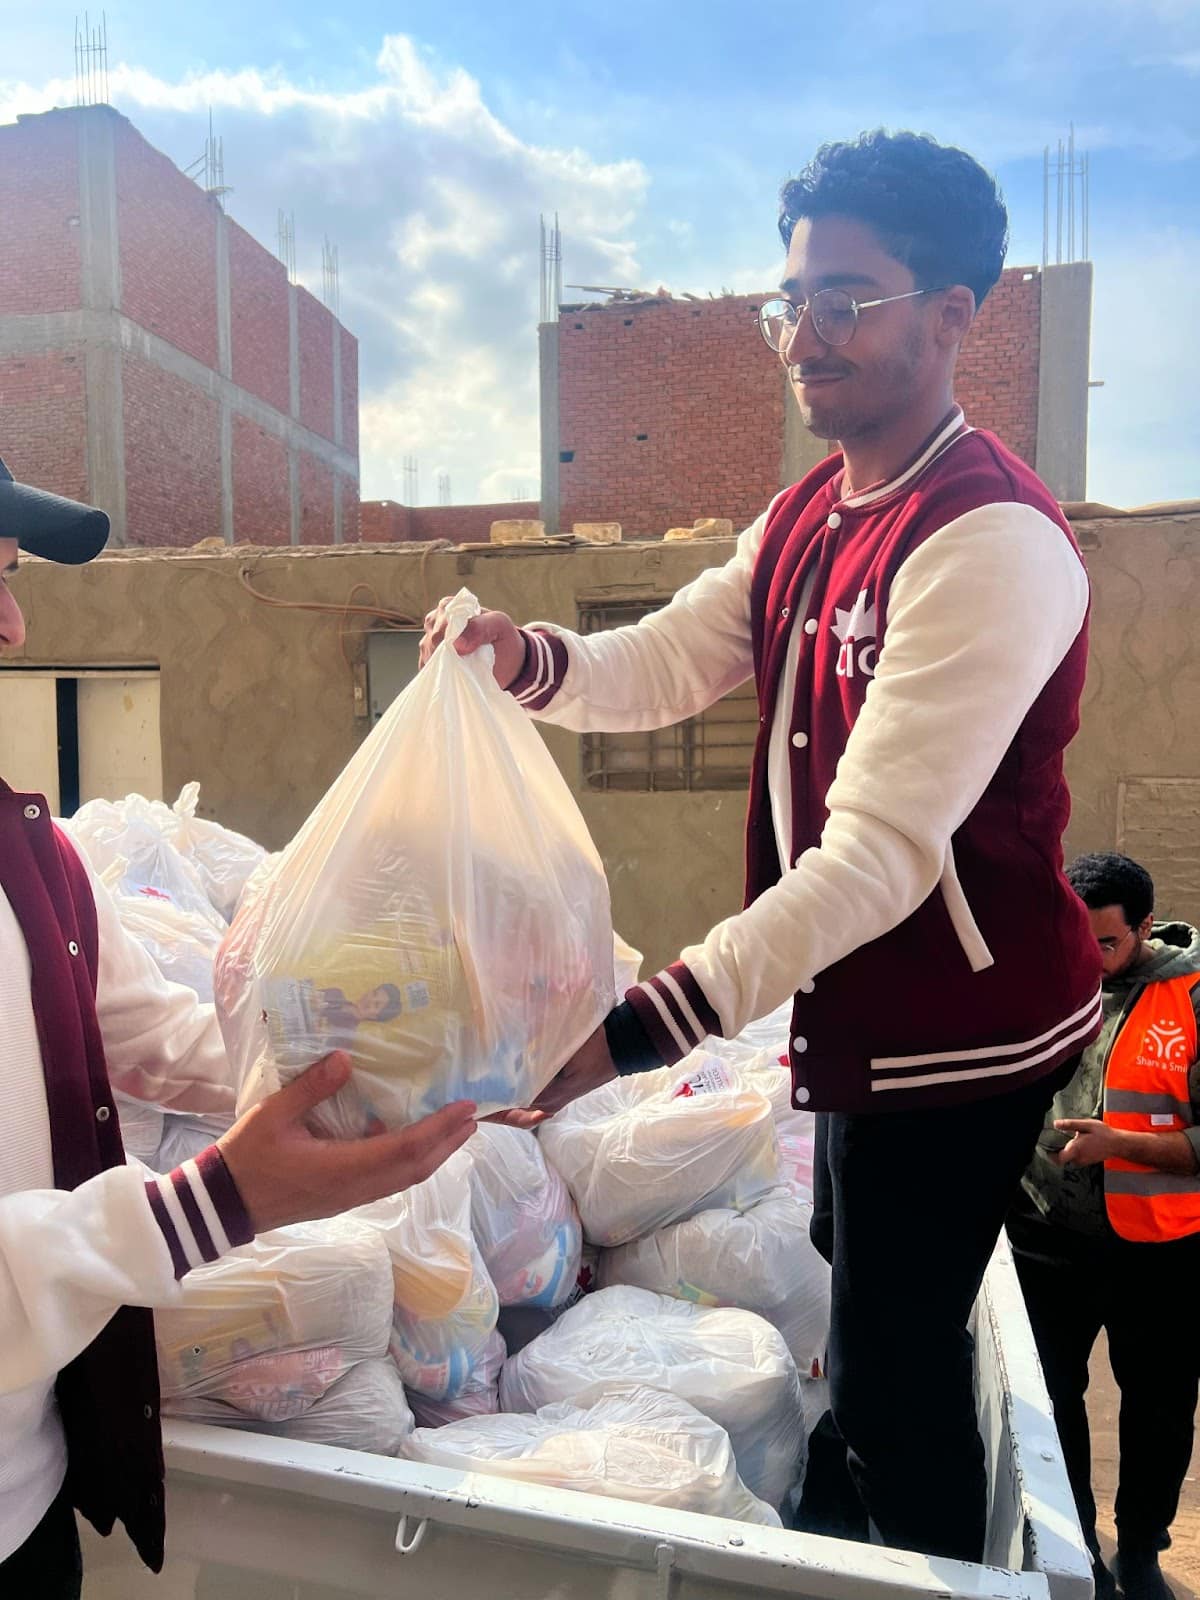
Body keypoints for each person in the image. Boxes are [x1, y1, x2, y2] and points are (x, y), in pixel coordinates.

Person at [423, 129, 1101, 1562]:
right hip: (858, 1007)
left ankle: (926, 1574)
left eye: (846, 299)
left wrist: (629, 1034)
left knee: (894, 1375)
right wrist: (520, 659)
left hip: (961, 1028)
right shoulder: (809, 511)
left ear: (952, 316)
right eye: (789, 300)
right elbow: (666, 663)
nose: (805, 335)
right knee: (858, 1302)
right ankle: (869, 1531)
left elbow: (875, 860)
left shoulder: (989, 538)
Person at [0, 455, 478, 1597]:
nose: (13, 625)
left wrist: (384, 1059)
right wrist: (219, 1200)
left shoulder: (32, 858)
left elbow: (153, 1035)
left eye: (9, 576)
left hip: (27, 1499)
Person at [1009, 853, 1200, 1600]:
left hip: (1159, 1247)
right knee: (1051, 1401)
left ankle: (1142, 1548)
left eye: (1109, 946)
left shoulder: (1190, 998)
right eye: (1079, 943)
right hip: (1047, 1234)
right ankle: (1077, 1541)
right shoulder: (1053, 977)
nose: (1091, 961)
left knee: (1157, 1405)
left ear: (1146, 927)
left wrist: (1120, 1145)